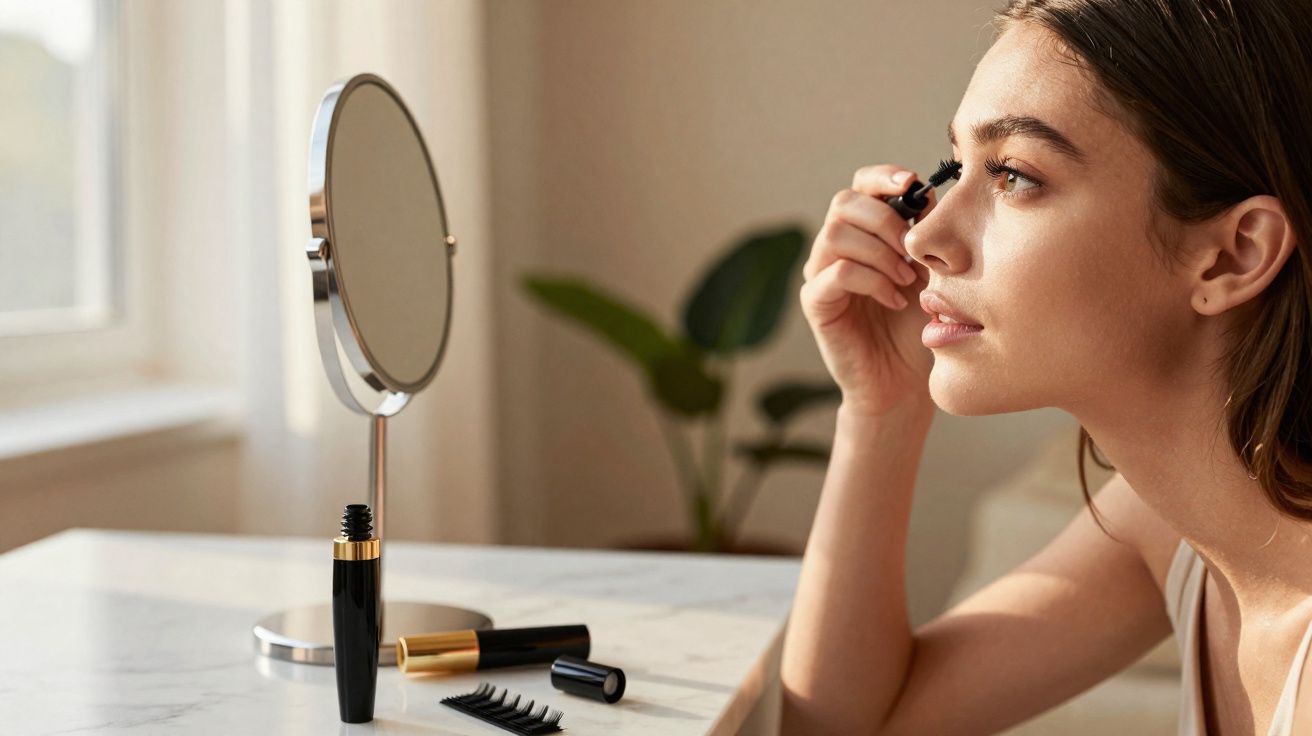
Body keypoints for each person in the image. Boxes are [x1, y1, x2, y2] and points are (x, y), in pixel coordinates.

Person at [779, 1, 1312, 734]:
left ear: (1233, 254)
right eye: (953, 168)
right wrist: (883, 405)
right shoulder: (1174, 525)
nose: (924, 235)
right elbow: (848, 726)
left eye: (1014, 176)